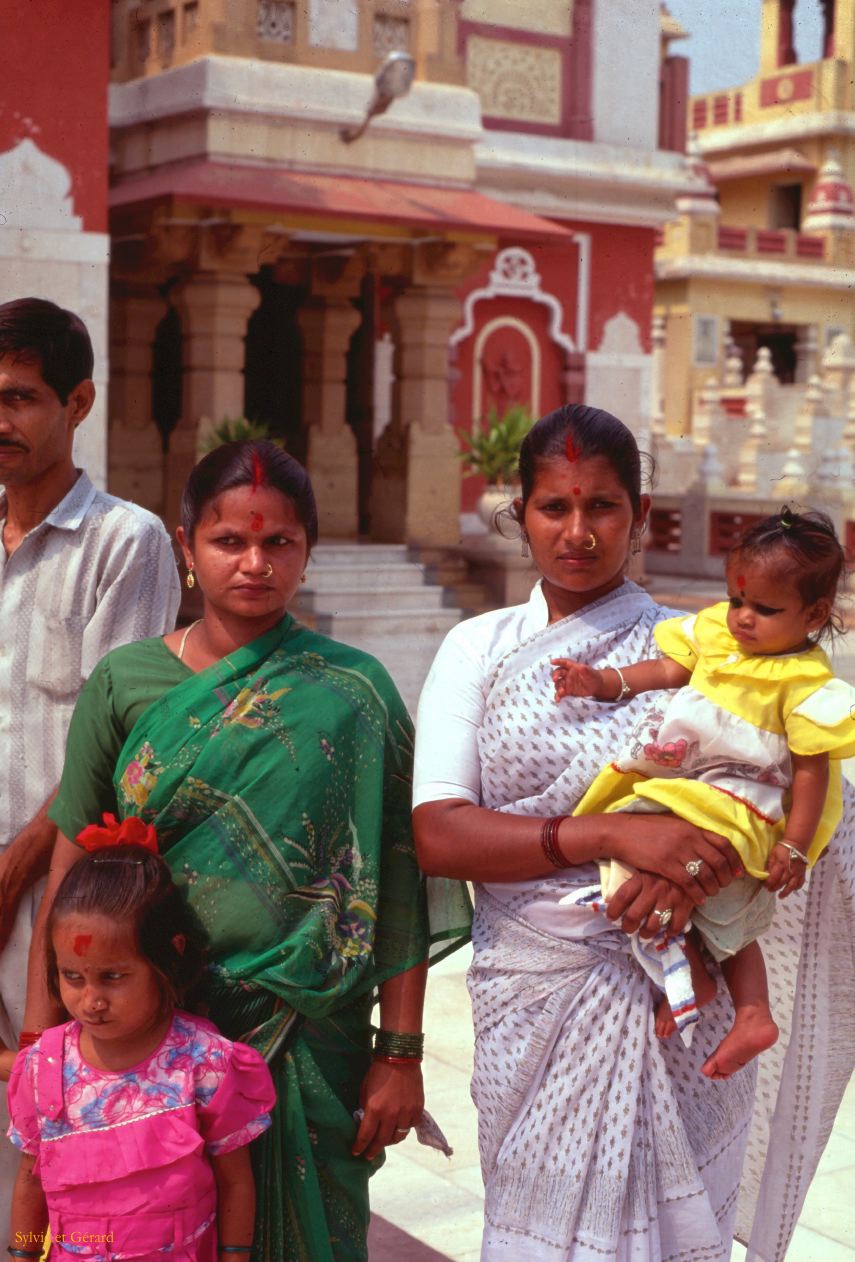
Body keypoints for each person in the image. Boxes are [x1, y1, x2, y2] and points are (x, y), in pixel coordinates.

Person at [412, 403, 855, 1261]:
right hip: (534, 991)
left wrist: (688, 875)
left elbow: (799, 790)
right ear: (519, 513)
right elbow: (439, 835)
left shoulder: (709, 646)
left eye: (603, 507)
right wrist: (610, 839)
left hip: (682, 1000)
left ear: (640, 516)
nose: (577, 532)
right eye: (553, 507)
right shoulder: (479, 648)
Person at [22, 440, 468, 1262]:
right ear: (186, 547)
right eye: (230, 541)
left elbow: (402, 879)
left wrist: (398, 1055)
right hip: (151, 1040)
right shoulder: (124, 684)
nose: (255, 563)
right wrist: (40, 1048)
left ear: (307, 551)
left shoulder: (354, 693)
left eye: (279, 543)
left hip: (311, 1034)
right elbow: (71, 872)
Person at [551, 508, 855, 1080]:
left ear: (815, 615)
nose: (742, 618)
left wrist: (794, 846)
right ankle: (750, 1010)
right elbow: (668, 669)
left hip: (742, 806)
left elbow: (812, 774)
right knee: (699, 898)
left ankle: (696, 975)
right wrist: (605, 683)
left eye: (765, 610)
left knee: (697, 884)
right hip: (689, 786)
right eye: (737, 599)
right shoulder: (718, 635)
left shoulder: (806, 685)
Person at [0, 297, 180, 1227]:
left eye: (21, 398)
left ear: (79, 403)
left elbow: (113, 754)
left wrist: (12, 877)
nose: (1, 420)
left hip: (59, 901)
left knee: (59, 1137)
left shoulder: (125, 542)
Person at [7, 836, 276, 1262]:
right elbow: (30, 1179)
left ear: (169, 955)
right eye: (72, 976)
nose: (91, 1000)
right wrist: (21, 1256)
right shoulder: (44, 1067)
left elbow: (236, 1181)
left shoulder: (203, 1062)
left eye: (113, 977)